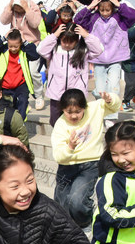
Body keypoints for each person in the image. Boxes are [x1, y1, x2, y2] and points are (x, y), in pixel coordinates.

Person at [50, 88, 120, 229]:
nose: (74, 116)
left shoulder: (95, 109)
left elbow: (114, 106)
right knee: (61, 204)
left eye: (78, 111)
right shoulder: (60, 125)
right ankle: (66, 230)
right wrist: (70, 147)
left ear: (85, 107)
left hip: (90, 164)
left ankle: (85, 223)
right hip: (67, 166)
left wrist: (110, 98)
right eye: (69, 112)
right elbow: (58, 155)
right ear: (63, 110)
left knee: (77, 201)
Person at [74, 0, 135, 122]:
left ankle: (111, 117)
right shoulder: (93, 18)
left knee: (113, 87)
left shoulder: (120, 18)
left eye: (108, 10)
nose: (104, 13)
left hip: (115, 58)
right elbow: (78, 20)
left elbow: (134, 16)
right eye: (102, 10)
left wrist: (118, 4)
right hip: (99, 59)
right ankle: (101, 106)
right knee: (100, 90)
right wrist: (90, 6)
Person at [37, 21, 104, 126]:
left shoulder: (83, 51)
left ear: (77, 40)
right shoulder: (54, 50)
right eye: (64, 41)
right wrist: (54, 35)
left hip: (76, 94)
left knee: (76, 122)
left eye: (71, 42)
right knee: (55, 121)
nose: (67, 45)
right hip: (57, 93)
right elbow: (40, 49)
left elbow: (99, 49)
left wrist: (86, 35)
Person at [0, 0, 45, 110]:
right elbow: (3, 20)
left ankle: (39, 96)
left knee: (33, 72)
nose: (18, 10)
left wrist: (27, 9)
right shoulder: (12, 9)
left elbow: (35, 23)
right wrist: (9, 7)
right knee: (21, 74)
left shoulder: (33, 7)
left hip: (31, 44)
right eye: (16, 7)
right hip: (17, 46)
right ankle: (25, 99)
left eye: (19, 7)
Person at [0, 29, 40, 119]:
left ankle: (20, 128)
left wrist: (25, 41)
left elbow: (35, 55)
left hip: (21, 85)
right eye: (10, 46)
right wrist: (3, 38)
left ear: (20, 43)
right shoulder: (3, 50)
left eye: (16, 46)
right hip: (5, 86)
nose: (13, 49)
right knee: (6, 110)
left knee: (22, 106)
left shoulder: (24, 50)